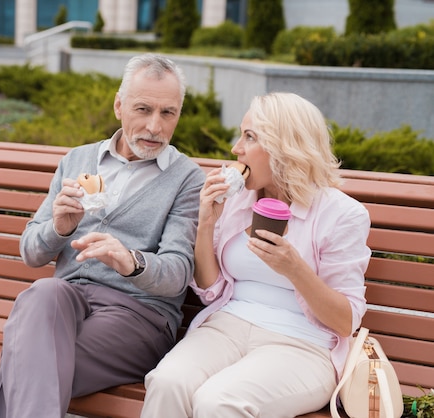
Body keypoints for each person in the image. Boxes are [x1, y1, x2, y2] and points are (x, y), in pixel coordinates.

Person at [0, 53, 205, 418]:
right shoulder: (77, 160)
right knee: (42, 291)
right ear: (119, 106)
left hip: (137, 314)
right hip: (64, 302)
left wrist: (130, 261)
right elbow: (30, 254)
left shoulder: (187, 179)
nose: (154, 126)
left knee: (28, 357)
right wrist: (60, 228)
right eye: (143, 109)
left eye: (168, 113)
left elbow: (178, 271)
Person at [141, 92, 372, 418]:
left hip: (302, 345)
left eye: (249, 137)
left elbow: (344, 321)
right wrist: (206, 221)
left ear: (284, 147)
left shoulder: (343, 215)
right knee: (167, 382)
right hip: (226, 327)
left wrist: (294, 269)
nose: (236, 148)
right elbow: (210, 290)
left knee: (218, 402)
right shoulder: (236, 200)